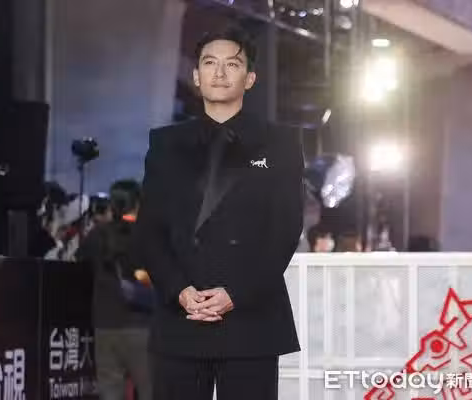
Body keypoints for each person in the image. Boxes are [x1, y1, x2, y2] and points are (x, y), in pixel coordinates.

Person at [134, 26, 304, 400]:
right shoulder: (166, 144)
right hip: (181, 318)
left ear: (250, 78)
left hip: (251, 318)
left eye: (233, 64)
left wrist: (236, 293)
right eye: (210, 63)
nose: (220, 73)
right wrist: (179, 291)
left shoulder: (281, 143)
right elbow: (149, 231)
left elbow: (284, 231)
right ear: (196, 75)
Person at [77, 179, 152, 400]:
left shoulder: (96, 235)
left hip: (105, 326)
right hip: (143, 327)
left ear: (112, 205)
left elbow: (78, 262)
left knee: (110, 393)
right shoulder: (149, 235)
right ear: (138, 203)